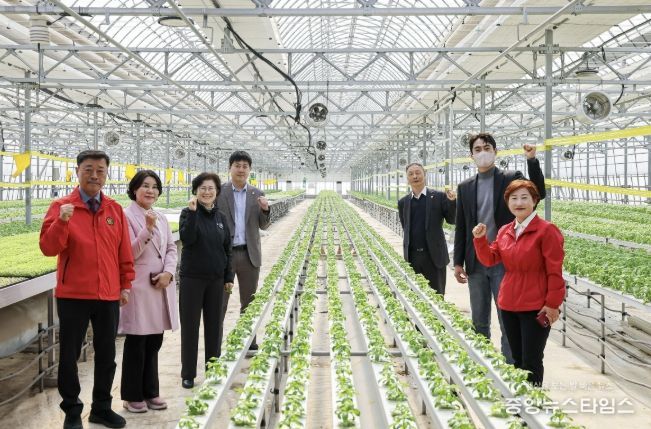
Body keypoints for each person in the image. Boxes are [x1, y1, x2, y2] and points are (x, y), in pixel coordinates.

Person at [40, 150, 134, 429]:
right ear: (77, 172)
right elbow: (48, 248)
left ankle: (101, 408)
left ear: (106, 174)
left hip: (108, 294)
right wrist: (62, 221)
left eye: (100, 170)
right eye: (88, 169)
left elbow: (123, 251)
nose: (94, 175)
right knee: (69, 355)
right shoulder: (62, 206)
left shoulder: (114, 209)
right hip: (73, 295)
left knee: (106, 354)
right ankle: (72, 410)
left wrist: (125, 284)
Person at [453, 133, 546, 363]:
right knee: (479, 319)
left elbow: (539, 192)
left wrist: (532, 160)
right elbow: (462, 225)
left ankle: (509, 369)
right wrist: (457, 262)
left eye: (487, 148)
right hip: (476, 262)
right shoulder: (465, 187)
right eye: (477, 149)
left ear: (496, 151)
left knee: (508, 320)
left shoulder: (509, 178)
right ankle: (481, 364)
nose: (482, 153)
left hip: (504, 262)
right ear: (471, 155)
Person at [472, 180, 564, 385]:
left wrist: (552, 304)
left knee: (531, 361)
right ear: (508, 203)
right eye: (513, 198)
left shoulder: (547, 231)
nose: (519, 203)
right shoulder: (506, 230)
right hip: (509, 304)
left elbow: (555, 271)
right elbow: (490, 259)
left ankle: (532, 402)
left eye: (524, 197)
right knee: (517, 359)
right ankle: (520, 399)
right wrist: (480, 240)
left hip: (535, 307)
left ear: (534, 200)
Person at [119, 170, 178, 413]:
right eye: (145, 185)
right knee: (137, 342)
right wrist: (147, 229)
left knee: (154, 341)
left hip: (159, 286)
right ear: (134, 189)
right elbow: (128, 253)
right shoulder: (125, 217)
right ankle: (132, 395)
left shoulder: (161, 217)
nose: (150, 191)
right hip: (139, 288)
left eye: (154, 187)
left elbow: (171, 248)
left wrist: (169, 272)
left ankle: (151, 391)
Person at [179, 172, 234, 389]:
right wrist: (193, 213)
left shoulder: (221, 218)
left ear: (217, 192)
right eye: (202, 188)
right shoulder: (188, 213)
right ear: (195, 191)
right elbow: (188, 238)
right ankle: (188, 374)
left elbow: (227, 249)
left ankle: (213, 370)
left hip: (215, 280)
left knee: (214, 326)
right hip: (192, 280)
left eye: (211, 188)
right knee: (190, 327)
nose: (207, 192)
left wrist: (228, 276)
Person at [217, 151, 271, 350]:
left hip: (249, 254)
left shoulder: (257, 194)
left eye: (244, 166)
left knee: (249, 300)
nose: (241, 170)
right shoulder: (219, 192)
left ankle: (249, 342)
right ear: (230, 168)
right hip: (224, 255)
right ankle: (215, 345)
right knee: (220, 302)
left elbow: (264, 225)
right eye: (237, 165)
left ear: (249, 170)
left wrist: (265, 210)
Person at [398, 162, 456, 295]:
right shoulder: (403, 202)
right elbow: (405, 227)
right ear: (407, 178)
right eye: (411, 174)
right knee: (414, 296)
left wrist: (452, 202)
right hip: (413, 257)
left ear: (425, 174)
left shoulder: (439, 197)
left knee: (437, 295)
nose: (415, 176)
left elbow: (452, 220)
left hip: (434, 257)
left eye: (418, 173)